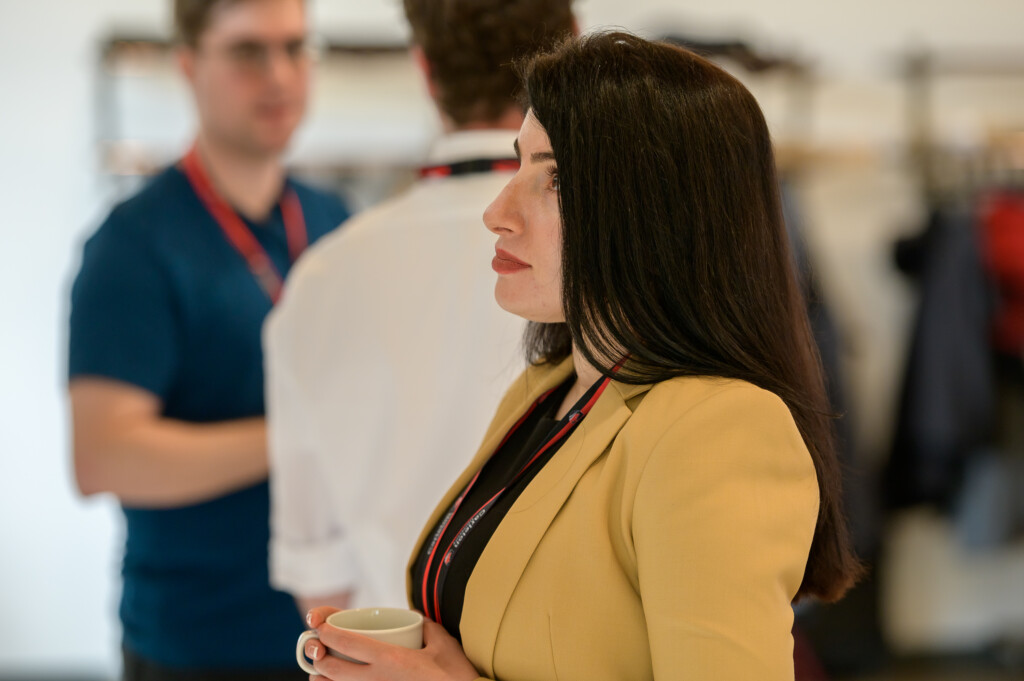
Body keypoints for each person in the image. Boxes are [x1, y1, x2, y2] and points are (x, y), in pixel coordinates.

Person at [299, 32, 862, 680]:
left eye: (556, 181)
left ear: (658, 211)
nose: (497, 211)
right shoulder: (554, 386)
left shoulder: (718, 429)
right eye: (520, 165)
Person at [263, 0, 576, 616]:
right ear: (573, 48)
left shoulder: (320, 281)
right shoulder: (620, 256)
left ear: (424, 69)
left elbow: (321, 587)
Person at [67, 0, 348, 678]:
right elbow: (103, 455)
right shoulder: (133, 244)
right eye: (249, 52)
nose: (279, 75)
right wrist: (301, 436)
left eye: (295, 48)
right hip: (196, 641)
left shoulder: (333, 219)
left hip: (333, 629)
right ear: (189, 66)